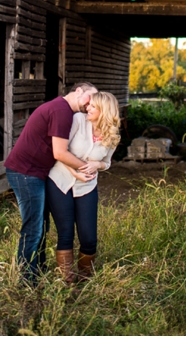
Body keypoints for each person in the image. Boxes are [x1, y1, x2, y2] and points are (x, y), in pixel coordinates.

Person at [3, 82, 99, 283]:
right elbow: (60, 153)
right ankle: (27, 279)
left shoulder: (64, 111)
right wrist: (85, 167)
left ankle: (38, 268)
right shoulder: (61, 111)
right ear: (78, 91)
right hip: (26, 172)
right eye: (91, 96)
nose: (92, 102)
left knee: (42, 225)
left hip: (37, 172)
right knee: (34, 226)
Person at [47, 91, 121, 284]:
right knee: (66, 234)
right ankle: (68, 281)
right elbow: (61, 152)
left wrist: (98, 165)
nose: (87, 108)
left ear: (104, 110)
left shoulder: (113, 135)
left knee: (89, 239)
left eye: (93, 106)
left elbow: (107, 163)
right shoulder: (78, 120)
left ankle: (84, 279)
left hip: (86, 187)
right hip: (61, 181)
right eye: (88, 105)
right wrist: (75, 171)